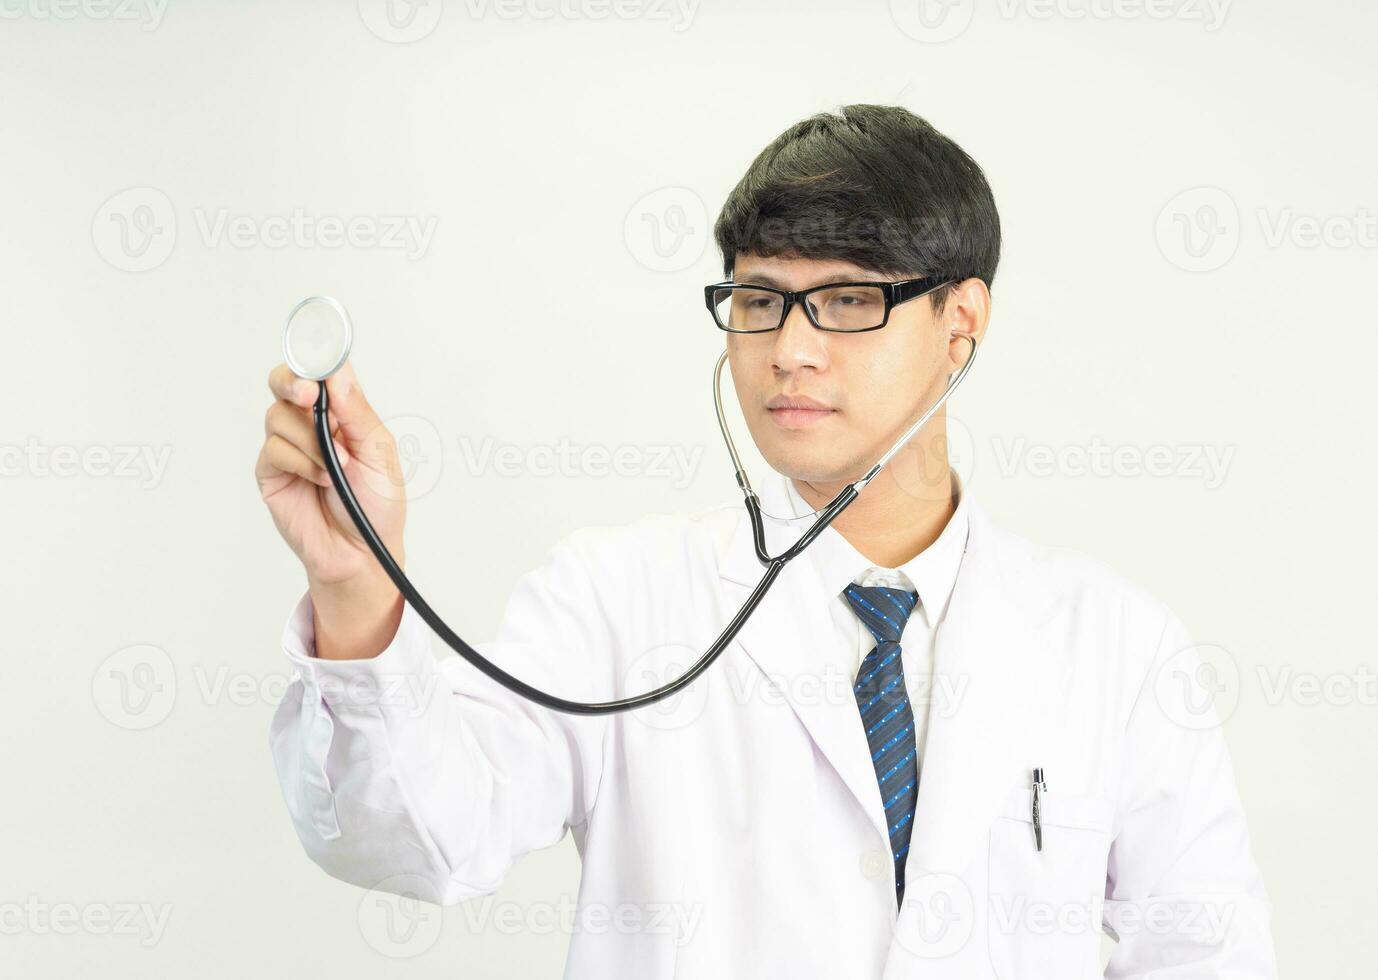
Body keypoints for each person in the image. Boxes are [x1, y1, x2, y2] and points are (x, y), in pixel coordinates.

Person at [256, 104, 1277, 978]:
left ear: (961, 321)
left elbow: (1207, 951)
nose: (788, 349)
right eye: (757, 302)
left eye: (845, 300)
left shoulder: (1113, 644)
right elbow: (418, 838)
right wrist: (353, 584)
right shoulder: (614, 603)